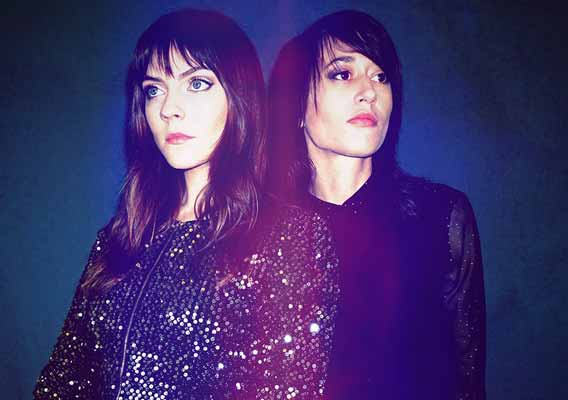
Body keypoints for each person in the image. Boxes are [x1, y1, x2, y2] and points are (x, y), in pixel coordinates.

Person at [34, 9, 339, 399]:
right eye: (154, 90)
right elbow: (61, 381)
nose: (168, 108)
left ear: (239, 98)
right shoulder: (117, 240)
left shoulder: (292, 236)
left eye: (196, 83)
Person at [268, 10, 485, 400]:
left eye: (381, 77)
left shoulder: (440, 216)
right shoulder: (262, 231)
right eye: (342, 73)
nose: (370, 91)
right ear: (295, 104)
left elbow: (468, 380)